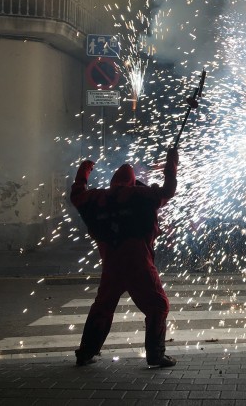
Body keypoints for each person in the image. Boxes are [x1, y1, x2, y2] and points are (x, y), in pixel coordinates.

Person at [71, 147, 178, 368]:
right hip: (138, 262)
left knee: (102, 307)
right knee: (158, 305)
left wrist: (84, 170)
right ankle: (155, 355)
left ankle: (85, 353)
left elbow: (77, 195)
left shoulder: (97, 198)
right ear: (132, 182)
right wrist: (171, 162)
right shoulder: (141, 195)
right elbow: (168, 190)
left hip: (111, 263)